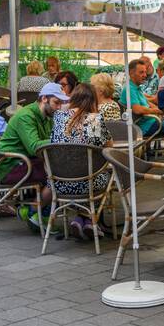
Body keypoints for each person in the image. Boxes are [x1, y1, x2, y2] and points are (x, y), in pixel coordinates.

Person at [48, 82, 112, 239]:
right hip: (87, 182)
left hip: (59, 183)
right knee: (103, 175)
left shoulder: (58, 117)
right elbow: (108, 147)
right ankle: (90, 219)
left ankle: (80, 220)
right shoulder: (93, 120)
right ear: (93, 100)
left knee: (87, 172)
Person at [0, 82, 67, 222]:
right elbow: (34, 147)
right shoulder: (26, 116)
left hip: (27, 162)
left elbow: (49, 141)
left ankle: (37, 214)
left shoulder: (47, 116)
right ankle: (34, 213)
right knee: (60, 175)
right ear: (44, 99)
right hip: (11, 166)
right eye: (56, 102)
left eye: (61, 103)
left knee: (64, 171)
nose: (59, 107)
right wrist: (62, 140)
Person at [119, 59, 164, 138]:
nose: (145, 75)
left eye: (145, 72)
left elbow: (148, 103)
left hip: (152, 122)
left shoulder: (135, 87)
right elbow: (137, 109)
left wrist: (158, 110)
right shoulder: (129, 89)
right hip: (146, 127)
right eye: (141, 72)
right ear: (131, 73)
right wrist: (156, 111)